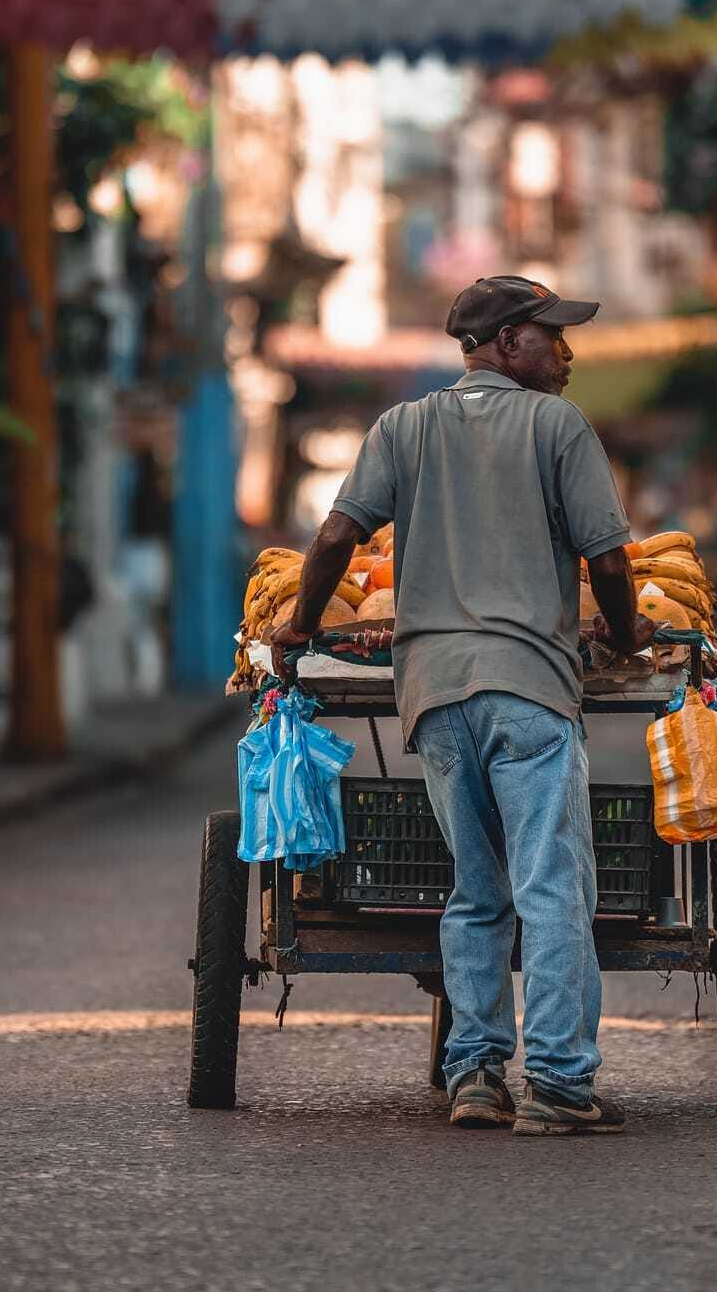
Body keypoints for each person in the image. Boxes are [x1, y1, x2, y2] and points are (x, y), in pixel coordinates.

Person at [271, 275, 656, 1132]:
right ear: (506, 343)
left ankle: (476, 1075)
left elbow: (337, 534)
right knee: (551, 885)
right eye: (551, 336)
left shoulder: (401, 428)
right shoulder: (558, 427)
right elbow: (613, 559)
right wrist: (627, 637)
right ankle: (558, 1083)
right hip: (529, 689)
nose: (566, 353)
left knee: (478, 889)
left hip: (435, 699)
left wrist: (300, 625)